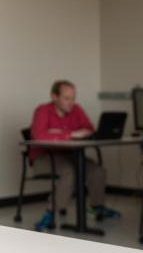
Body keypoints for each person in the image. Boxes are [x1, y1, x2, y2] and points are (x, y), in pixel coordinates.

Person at [30, 80, 120, 230]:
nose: (71, 102)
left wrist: (58, 133)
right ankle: (50, 213)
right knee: (69, 171)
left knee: (97, 171)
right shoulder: (42, 111)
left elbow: (89, 129)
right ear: (54, 97)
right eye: (66, 98)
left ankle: (96, 207)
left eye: (73, 98)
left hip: (70, 156)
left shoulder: (76, 109)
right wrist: (70, 134)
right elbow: (39, 135)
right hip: (44, 158)